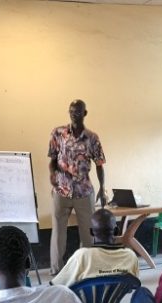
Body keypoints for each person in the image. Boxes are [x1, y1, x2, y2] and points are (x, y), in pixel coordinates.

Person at [48, 99, 107, 275]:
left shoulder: (92, 138)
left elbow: (99, 164)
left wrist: (102, 188)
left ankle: (86, 270)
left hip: (84, 191)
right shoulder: (58, 133)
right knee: (58, 233)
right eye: (72, 111)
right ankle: (57, 272)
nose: (74, 114)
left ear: (85, 113)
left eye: (78, 112)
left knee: (88, 234)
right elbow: (53, 160)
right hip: (61, 190)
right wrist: (52, 174)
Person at [50, 208, 139, 286]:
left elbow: (57, 285)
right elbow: (133, 285)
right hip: (114, 298)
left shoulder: (82, 256)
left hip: (84, 300)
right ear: (116, 231)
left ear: (91, 232)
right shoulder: (130, 256)